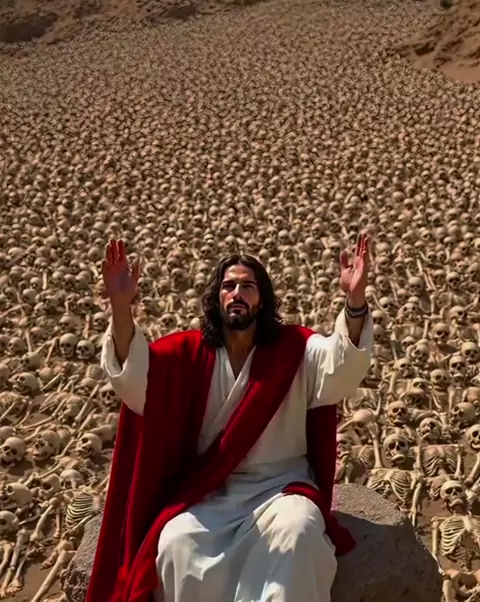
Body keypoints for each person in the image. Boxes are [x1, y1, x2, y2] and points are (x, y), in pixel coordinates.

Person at [86, 235, 373, 602]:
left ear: (262, 299)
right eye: (229, 286)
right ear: (217, 297)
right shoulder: (189, 353)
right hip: (210, 491)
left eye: (248, 286)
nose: (237, 293)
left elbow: (342, 366)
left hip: (280, 488)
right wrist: (120, 306)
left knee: (298, 533)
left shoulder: (296, 349)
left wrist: (355, 301)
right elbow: (137, 376)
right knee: (177, 543)